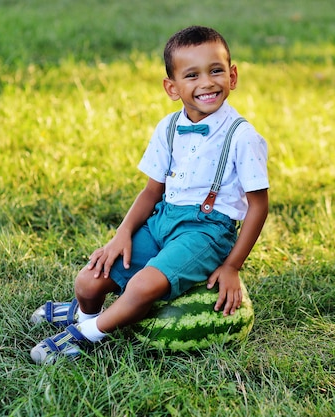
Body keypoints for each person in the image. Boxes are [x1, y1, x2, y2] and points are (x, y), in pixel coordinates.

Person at [30, 25, 269, 364]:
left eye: (216, 71)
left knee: (143, 286)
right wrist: (122, 234)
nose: (206, 82)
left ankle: (85, 335)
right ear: (172, 88)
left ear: (232, 76)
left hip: (205, 232)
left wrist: (232, 266)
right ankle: (82, 313)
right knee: (88, 281)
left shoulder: (242, 136)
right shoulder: (167, 128)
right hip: (163, 221)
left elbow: (259, 206)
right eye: (192, 75)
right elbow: (151, 191)